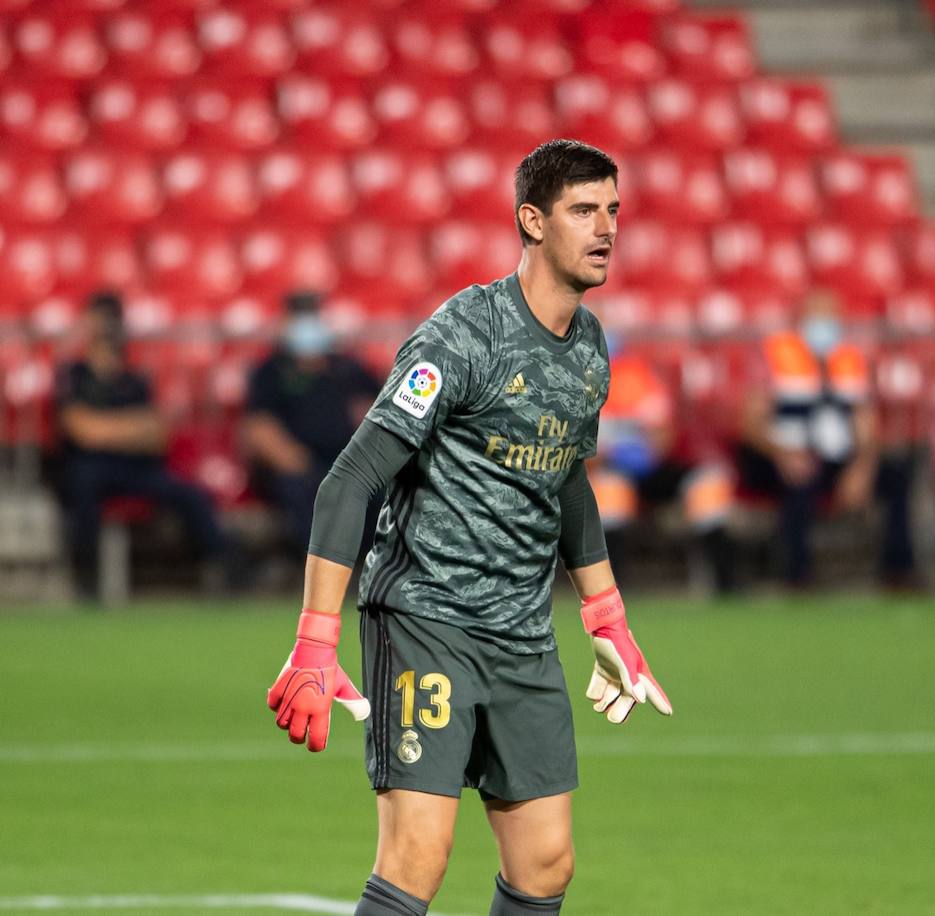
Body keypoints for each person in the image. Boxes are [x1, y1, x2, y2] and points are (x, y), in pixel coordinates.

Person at [265, 140, 672, 916]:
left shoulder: (588, 348)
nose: (606, 228)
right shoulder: (463, 336)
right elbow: (351, 479)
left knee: (546, 863)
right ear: (532, 221)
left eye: (613, 210)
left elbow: (567, 481)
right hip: (427, 618)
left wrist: (608, 617)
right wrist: (315, 640)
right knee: (418, 855)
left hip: (521, 632)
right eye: (584, 210)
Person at [736, 288, 917, 588]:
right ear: (799, 318)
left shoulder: (849, 359)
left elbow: (866, 422)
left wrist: (862, 468)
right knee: (800, 479)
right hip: (783, 456)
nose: (825, 325)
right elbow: (750, 423)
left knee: (897, 474)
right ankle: (798, 576)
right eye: (817, 316)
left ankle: (899, 571)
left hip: (835, 455)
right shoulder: (776, 353)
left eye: (831, 317)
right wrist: (783, 454)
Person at [56, 291, 229, 599]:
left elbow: (157, 434)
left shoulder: (135, 379)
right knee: (81, 491)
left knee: (192, 496)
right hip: (91, 467)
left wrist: (107, 428)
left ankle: (219, 571)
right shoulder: (75, 375)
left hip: (136, 468)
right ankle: (86, 579)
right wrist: (132, 428)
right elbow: (83, 432)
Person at [242, 291, 381, 565]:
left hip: (345, 460)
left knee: (379, 492)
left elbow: (380, 404)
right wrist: (291, 459)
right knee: (301, 490)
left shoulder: (346, 367)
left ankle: (366, 568)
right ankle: (317, 570)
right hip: (297, 464)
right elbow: (258, 425)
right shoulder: (270, 372)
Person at [588, 339, 737, 593]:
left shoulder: (637, 376)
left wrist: (643, 450)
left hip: (652, 464)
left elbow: (663, 434)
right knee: (609, 490)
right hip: (604, 467)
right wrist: (608, 454)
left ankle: (724, 584)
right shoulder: (569, 380)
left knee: (707, 483)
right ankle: (610, 591)